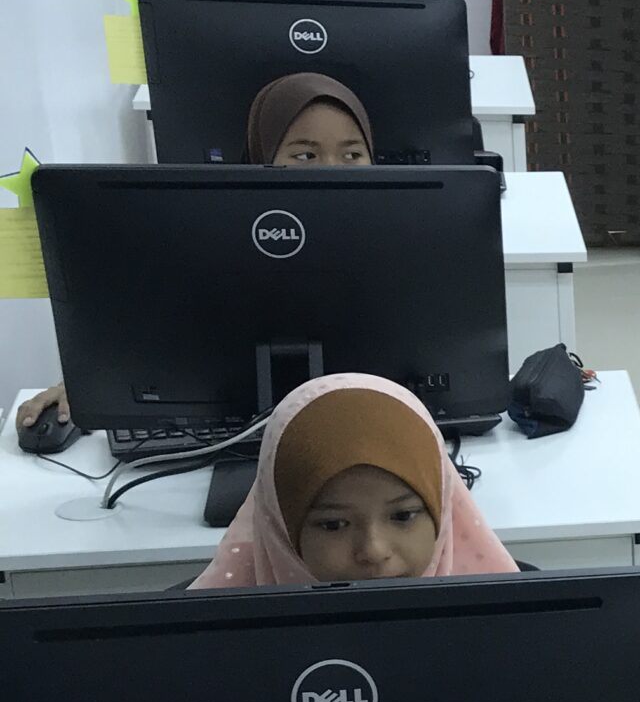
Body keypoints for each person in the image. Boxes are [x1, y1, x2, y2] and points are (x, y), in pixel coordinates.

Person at [16, 73, 377, 436]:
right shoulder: (201, 243)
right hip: (227, 440)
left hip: (366, 431)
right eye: (305, 155)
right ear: (262, 156)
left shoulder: (395, 254)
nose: (332, 169)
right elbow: (144, 342)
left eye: (352, 155)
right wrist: (89, 390)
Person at [193, 374, 518, 588]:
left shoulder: (509, 637)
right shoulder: (205, 653)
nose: (373, 551)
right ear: (280, 528)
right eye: (333, 524)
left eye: (403, 516)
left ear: (442, 512)